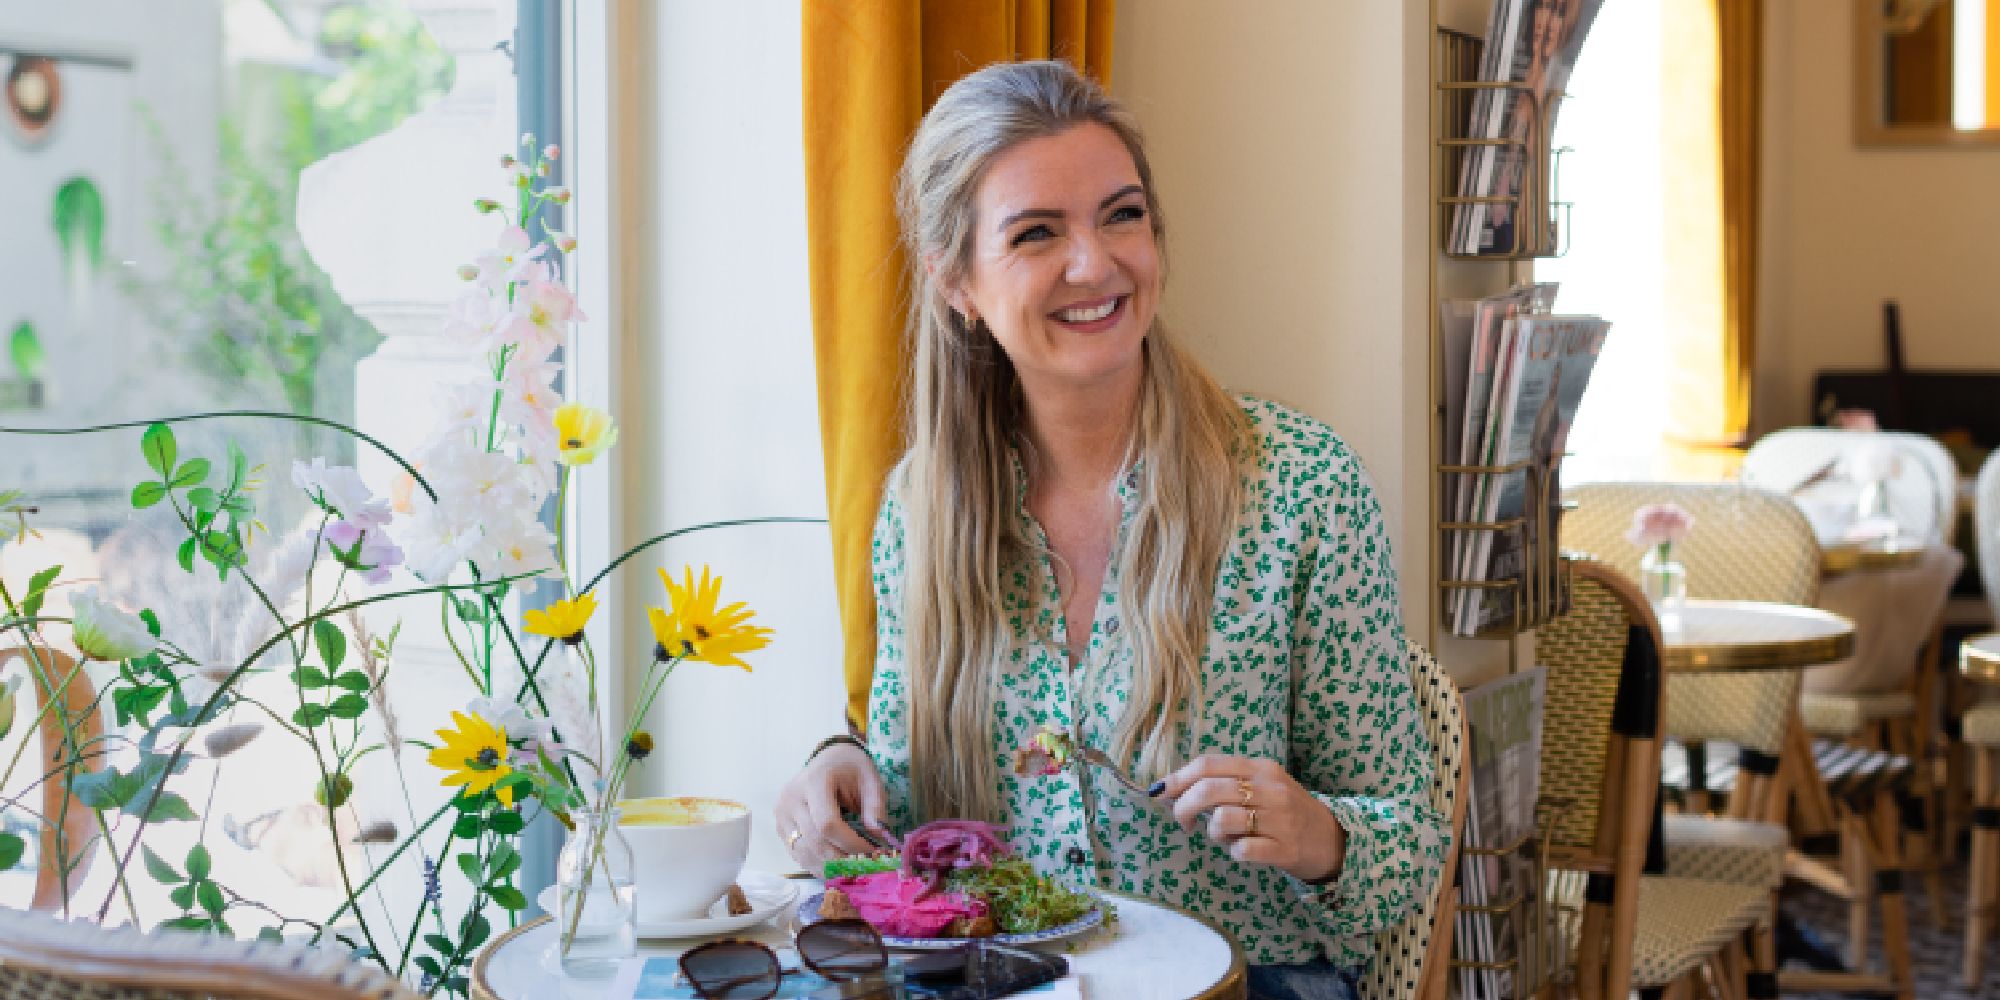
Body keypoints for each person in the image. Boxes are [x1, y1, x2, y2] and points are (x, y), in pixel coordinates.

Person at [776, 60, 1446, 1000]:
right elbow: (907, 812)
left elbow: (1409, 845)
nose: (1094, 263)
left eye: (1121, 215)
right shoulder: (917, 511)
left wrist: (1318, 836)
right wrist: (839, 769)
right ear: (956, 282)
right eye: (1036, 233)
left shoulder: (1305, 488)